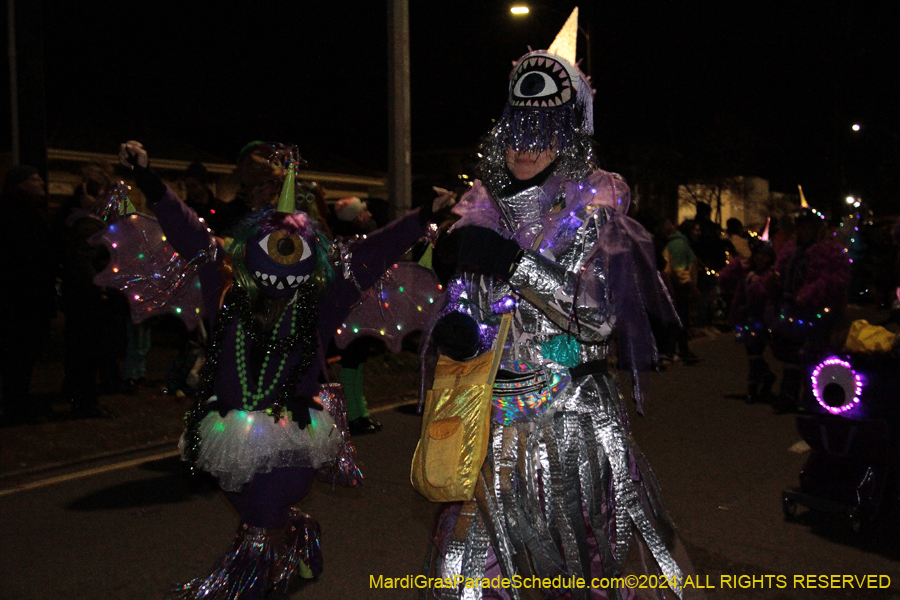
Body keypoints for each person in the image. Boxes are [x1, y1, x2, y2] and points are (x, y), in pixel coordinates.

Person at [426, 11, 689, 598]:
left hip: (571, 420)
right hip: (490, 418)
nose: (527, 148)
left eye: (544, 134)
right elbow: (468, 303)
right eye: (518, 131)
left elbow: (596, 319)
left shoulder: (593, 208)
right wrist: (457, 323)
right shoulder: (483, 208)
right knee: (467, 576)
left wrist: (508, 262)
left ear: (571, 136)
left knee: (586, 566)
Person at [117, 140, 450, 599]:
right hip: (227, 421)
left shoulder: (321, 302)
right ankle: (300, 531)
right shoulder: (224, 285)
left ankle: (249, 579)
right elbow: (186, 232)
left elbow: (373, 253)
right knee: (243, 499)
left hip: (292, 428)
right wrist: (150, 180)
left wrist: (419, 217)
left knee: (265, 510)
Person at [770, 205, 850, 413]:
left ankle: (812, 398)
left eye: (808, 227)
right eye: (801, 226)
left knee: (814, 354)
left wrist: (809, 293)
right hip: (792, 309)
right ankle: (788, 396)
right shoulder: (790, 249)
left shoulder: (829, 250)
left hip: (818, 311)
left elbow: (834, 279)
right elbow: (780, 273)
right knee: (791, 354)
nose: (804, 231)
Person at [0, 166, 57, 425]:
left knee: (23, 353)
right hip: (22, 294)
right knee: (19, 352)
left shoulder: (31, 209)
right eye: (33, 179)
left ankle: (18, 401)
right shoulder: (17, 211)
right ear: (21, 185)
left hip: (28, 292)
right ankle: (15, 405)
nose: (40, 182)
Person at [719, 231, 777, 403]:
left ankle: (754, 387)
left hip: (762, 319)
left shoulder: (770, 275)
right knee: (751, 353)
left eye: (764, 255)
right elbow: (725, 280)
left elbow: (764, 295)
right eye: (757, 255)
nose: (760, 258)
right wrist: (737, 265)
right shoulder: (748, 272)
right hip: (745, 318)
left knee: (755, 354)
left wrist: (758, 282)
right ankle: (765, 379)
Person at [662, 219, 700, 364]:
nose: (698, 233)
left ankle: (678, 350)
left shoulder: (681, 243)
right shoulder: (679, 244)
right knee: (678, 320)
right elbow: (679, 271)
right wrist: (692, 287)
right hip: (677, 288)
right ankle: (675, 351)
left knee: (679, 320)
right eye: (696, 230)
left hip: (678, 288)